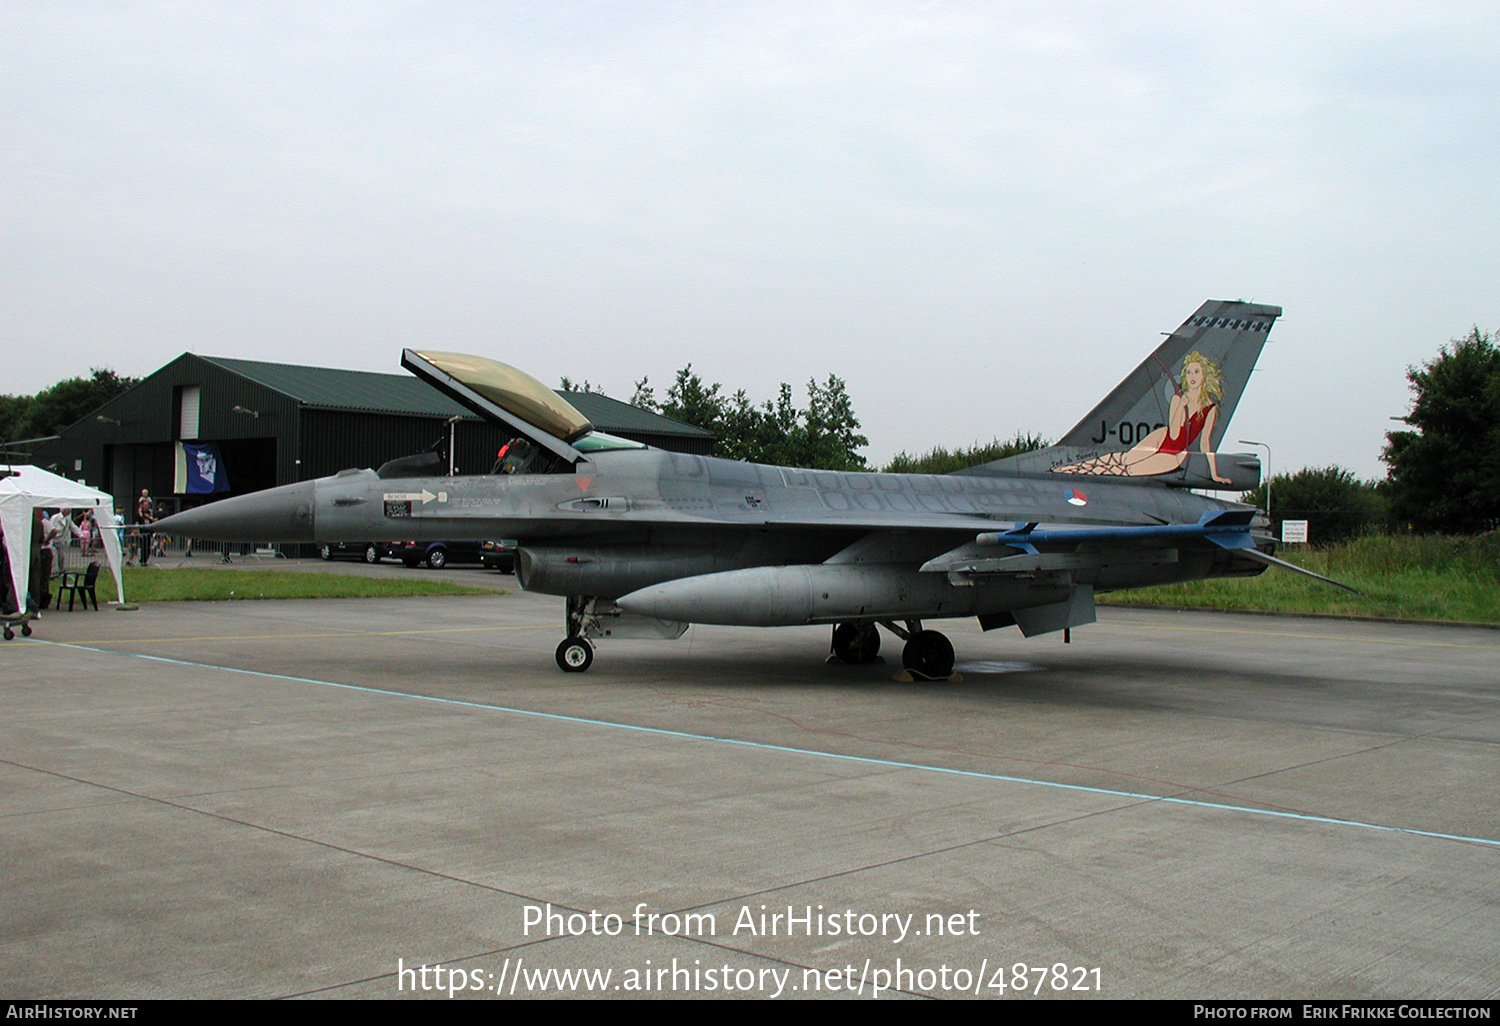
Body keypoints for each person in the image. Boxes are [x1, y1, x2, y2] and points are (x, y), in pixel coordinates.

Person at [1055, 351, 1232, 484]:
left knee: (1128, 470)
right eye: (1189, 372)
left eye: (1197, 372)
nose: (1192, 376)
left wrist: (1214, 474)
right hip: (1162, 437)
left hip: (1176, 453)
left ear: (1205, 375)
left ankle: (1068, 470)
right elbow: (1174, 432)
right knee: (1121, 460)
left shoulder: (1210, 409)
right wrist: (1180, 407)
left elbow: (1204, 443)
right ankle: (1067, 469)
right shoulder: (1178, 399)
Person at [136, 489, 155, 567]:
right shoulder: (139, 513)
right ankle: (142, 560)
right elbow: (137, 522)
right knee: (143, 547)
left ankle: (146, 560)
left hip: (148, 532)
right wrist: (138, 532)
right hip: (142, 532)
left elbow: (152, 519)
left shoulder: (150, 512)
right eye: (145, 505)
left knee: (148, 547)